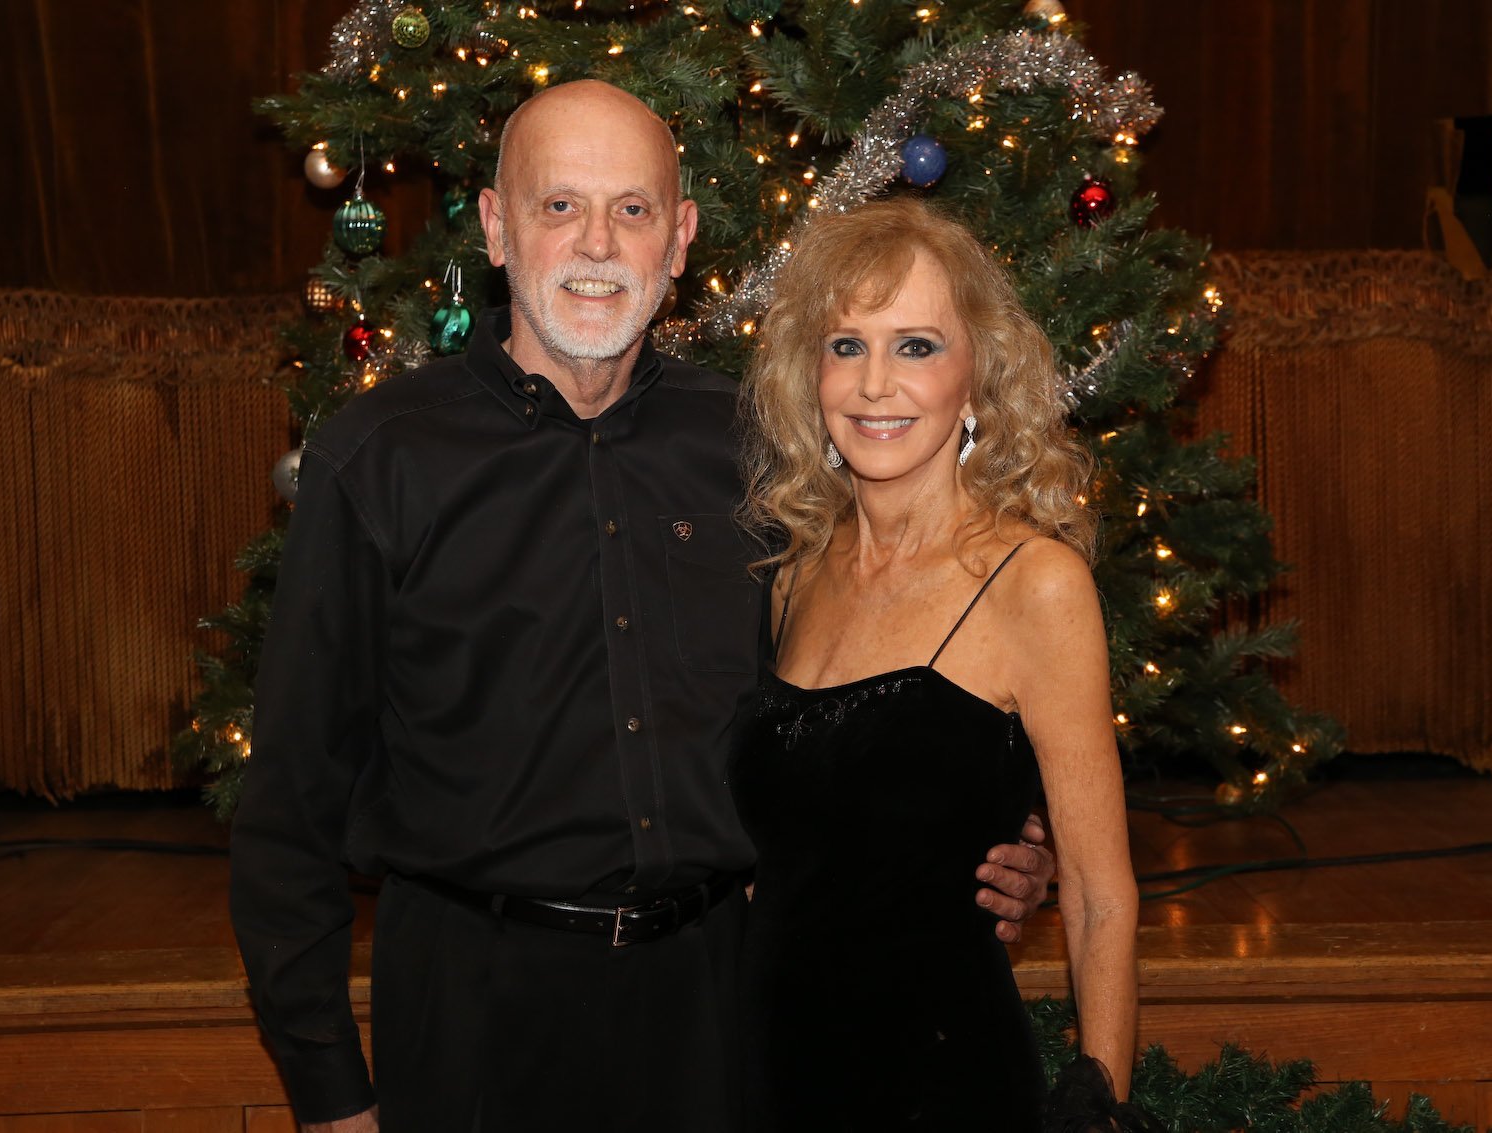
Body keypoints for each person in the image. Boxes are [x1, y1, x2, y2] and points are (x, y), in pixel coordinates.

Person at [228, 81, 1053, 1133]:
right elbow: (290, 804)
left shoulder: (760, 451)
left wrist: (1005, 833)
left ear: (679, 239)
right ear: (496, 228)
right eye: (558, 206)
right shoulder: (379, 459)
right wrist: (329, 1091)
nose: (597, 243)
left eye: (632, 209)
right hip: (474, 1014)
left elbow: (890, 654)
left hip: (717, 1005)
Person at [734, 197, 1143, 1130]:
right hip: (773, 1074)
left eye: (916, 346)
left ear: (977, 377)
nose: (875, 383)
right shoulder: (793, 573)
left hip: (944, 1086)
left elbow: (1099, 894)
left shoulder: (1035, 582)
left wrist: (1101, 1105)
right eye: (846, 346)